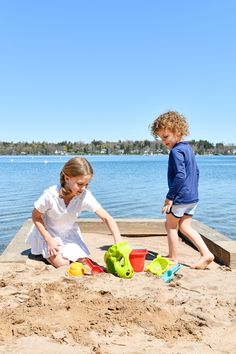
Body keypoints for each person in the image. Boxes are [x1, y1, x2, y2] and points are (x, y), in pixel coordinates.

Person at [26, 157, 123, 268]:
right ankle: (44, 253)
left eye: (87, 184)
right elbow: (35, 217)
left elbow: (107, 218)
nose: (83, 188)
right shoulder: (50, 196)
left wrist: (118, 241)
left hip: (67, 233)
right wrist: (49, 240)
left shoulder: (85, 196)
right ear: (67, 178)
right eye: (80, 184)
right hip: (47, 234)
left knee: (83, 260)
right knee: (62, 264)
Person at [150, 111, 214, 269]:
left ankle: (173, 257)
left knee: (170, 226)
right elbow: (197, 172)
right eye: (160, 138)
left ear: (178, 131)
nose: (163, 141)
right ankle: (206, 254)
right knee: (185, 227)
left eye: (165, 137)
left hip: (179, 198)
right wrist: (192, 191)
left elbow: (180, 175)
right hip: (192, 197)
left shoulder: (176, 152)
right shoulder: (188, 149)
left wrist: (170, 197)